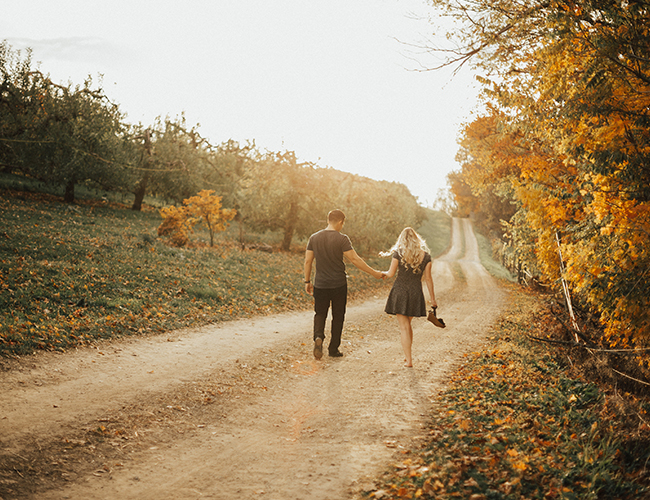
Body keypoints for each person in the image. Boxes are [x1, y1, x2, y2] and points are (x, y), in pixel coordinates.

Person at [304, 209, 384, 360]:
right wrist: (374, 273)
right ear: (340, 222)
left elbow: (308, 261)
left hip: (320, 283)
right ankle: (333, 349)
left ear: (328, 220)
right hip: (338, 284)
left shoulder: (314, 238)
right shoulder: (342, 239)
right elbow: (355, 259)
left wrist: (307, 281)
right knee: (338, 316)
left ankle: (318, 337)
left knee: (320, 313)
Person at [381, 227, 437, 368]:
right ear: (416, 239)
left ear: (402, 239)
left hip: (400, 291)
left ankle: (409, 360)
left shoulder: (398, 254)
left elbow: (391, 273)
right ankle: (408, 358)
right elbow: (428, 279)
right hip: (415, 293)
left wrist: (380, 274)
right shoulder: (426, 256)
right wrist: (433, 299)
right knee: (407, 325)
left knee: (404, 327)